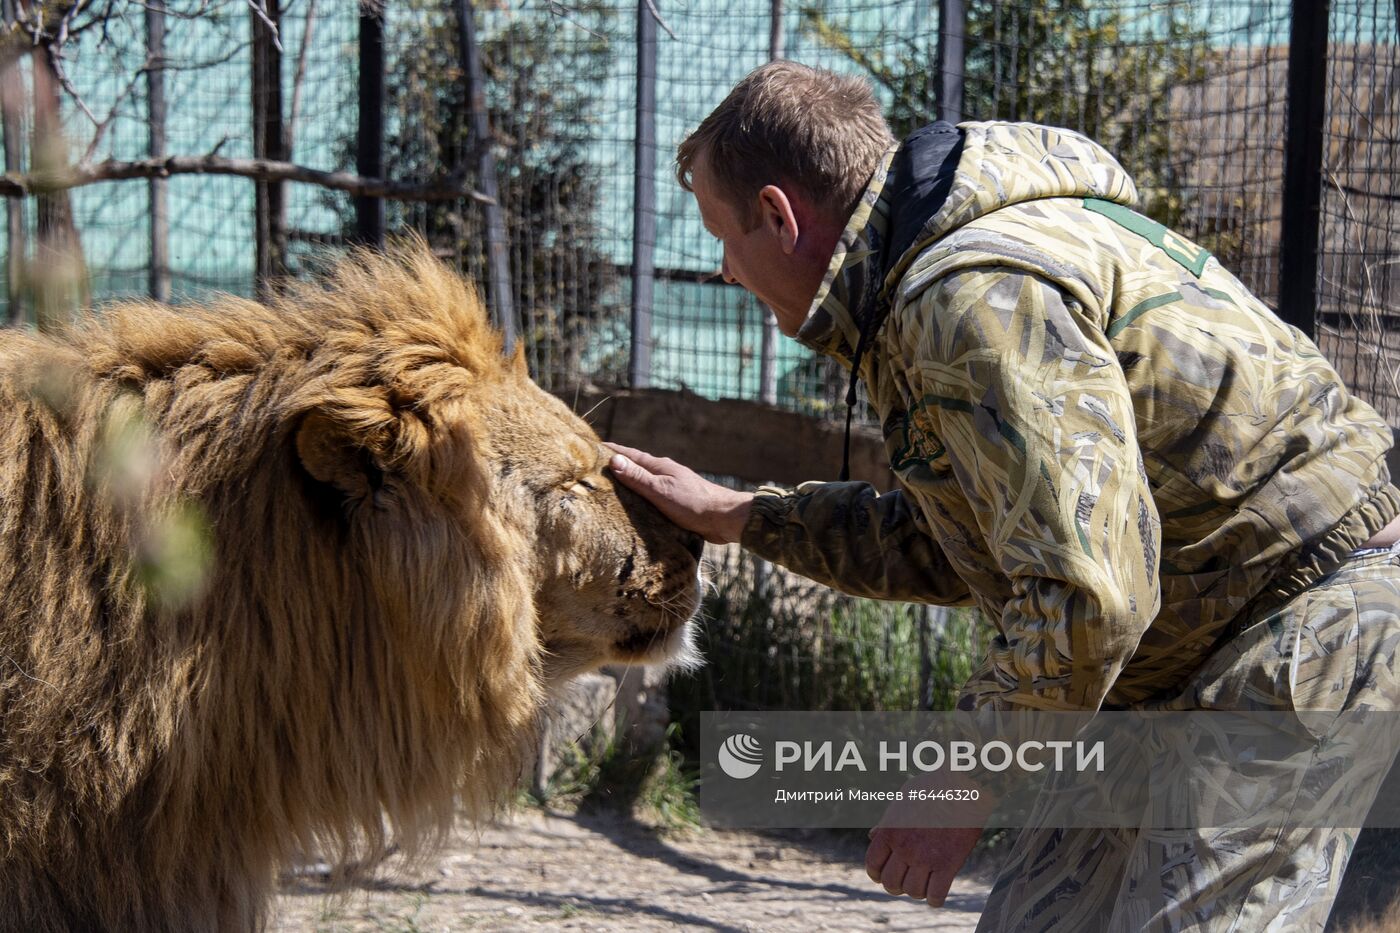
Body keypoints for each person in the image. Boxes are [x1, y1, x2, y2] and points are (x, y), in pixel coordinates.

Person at [606, 60, 1400, 931]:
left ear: (777, 215)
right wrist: (746, 515)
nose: (725, 271)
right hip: (1178, 649)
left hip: (1298, 620)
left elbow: (1089, 591)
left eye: (722, 236)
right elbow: (961, 539)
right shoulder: (927, 284)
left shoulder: (971, 295)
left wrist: (957, 779)